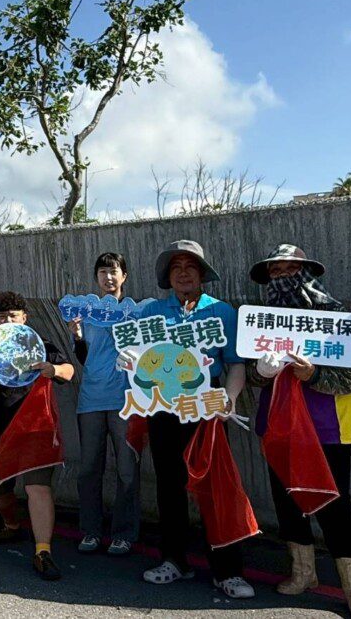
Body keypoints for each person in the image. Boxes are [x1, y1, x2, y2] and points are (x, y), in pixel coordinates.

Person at [248, 244, 351, 619]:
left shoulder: (336, 317)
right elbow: (253, 374)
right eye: (274, 273)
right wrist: (264, 373)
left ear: (307, 273)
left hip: (329, 427)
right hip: (278, 425)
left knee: (336, 506)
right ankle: (302, 572)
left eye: (290, 270)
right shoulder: (262, 323)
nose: (282, 278)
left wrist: (316, 374)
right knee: (287, 501)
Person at [138, 240, 254, 599]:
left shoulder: (222, 312)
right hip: (162, 404)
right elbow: (138, 359)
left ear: (202, 273)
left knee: (215, 486)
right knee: (169, 485)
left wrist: (229, 399)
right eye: (176, 267)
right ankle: (174, 559)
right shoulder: (152, 312)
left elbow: (235, 363)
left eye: (191, 265)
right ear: (168, 276)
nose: (184, 272)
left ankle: (227, 570)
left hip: (208, 404)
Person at [0, 291, 73, 580]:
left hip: (34, 429)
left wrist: (54, 369)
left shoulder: (39, 346)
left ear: (24, 318)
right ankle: (12, 526)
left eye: (13, 315)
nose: (7, 321)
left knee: (37, 488)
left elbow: (68, 371)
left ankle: (43, 551)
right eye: (1, 317)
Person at [68, 252, 141, 555]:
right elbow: (85, 359)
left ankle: (124, 533)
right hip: (91, 399)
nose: (108, 278)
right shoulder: (86, 312)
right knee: (88, 469)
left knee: (127, 469)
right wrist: (77, 337)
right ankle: (91, 530)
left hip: (127, 400)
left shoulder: (136, 312)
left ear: (124, 275)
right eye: (102, 272)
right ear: (95, 278)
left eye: (114, 272)